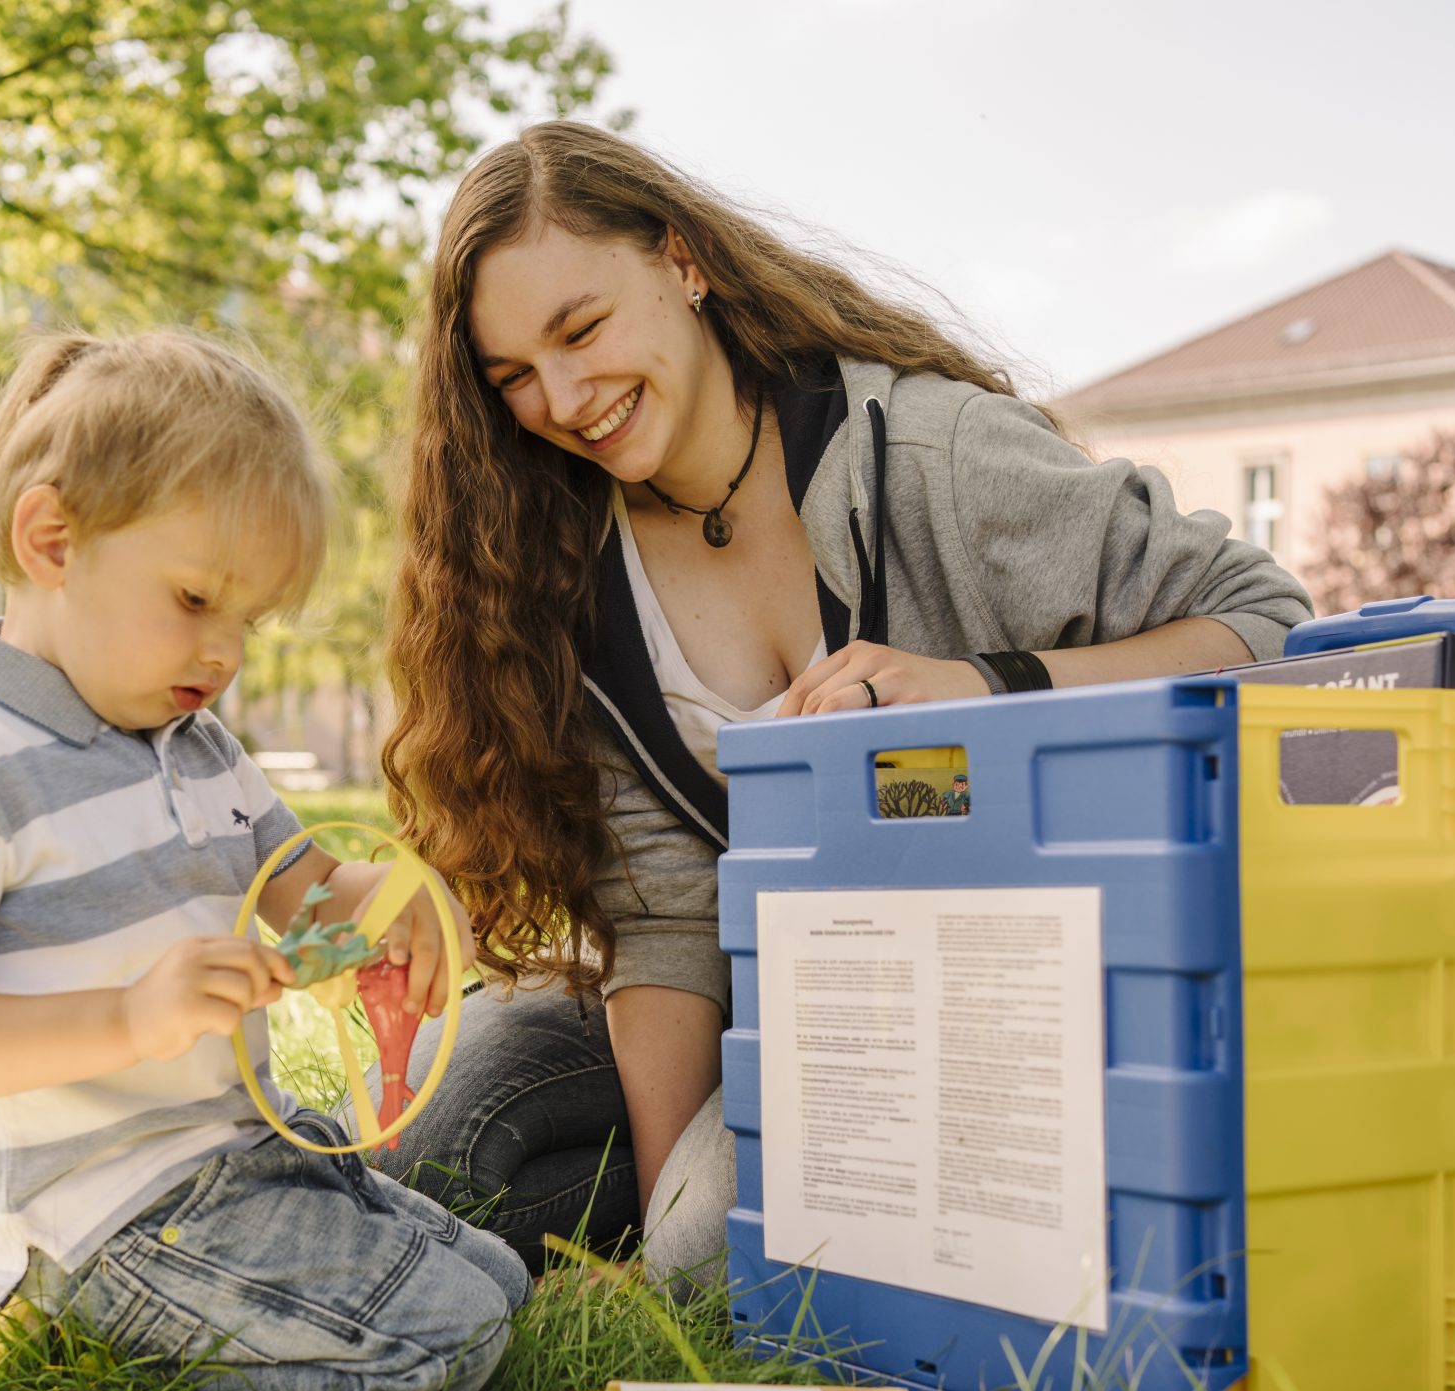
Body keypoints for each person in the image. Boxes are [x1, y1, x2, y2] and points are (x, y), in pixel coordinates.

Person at [375, 122, 1314, 1287]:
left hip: (969, 999)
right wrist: (676, 1224)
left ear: (682, 262)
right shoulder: (565, 565)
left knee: (709, 1233)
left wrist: (982, 688)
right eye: (513, 374)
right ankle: (676, 1219)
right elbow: (665, 919)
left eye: (581, 329)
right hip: (747, 1003)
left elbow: (1271, 623)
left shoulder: (928, 458)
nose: (563, 399)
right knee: (449, 1160)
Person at [0, 328, 524, 1391]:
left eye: (246, 620)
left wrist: (401, 906)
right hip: (99, 1221)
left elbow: (315, 894)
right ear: (52, 541)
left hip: (245, 1155)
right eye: (198, 601)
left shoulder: (201, 750)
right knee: (451, 1336)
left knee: (500, 1282)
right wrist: (124, 1018)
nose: (224, 653)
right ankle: (67, 1338)